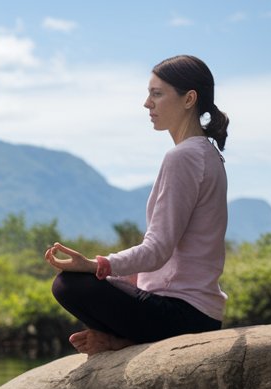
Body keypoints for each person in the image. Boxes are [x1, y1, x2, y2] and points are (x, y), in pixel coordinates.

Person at [44, 54, 230, 355]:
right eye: (148, 93)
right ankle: (122, 340)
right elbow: (169, 258)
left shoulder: (183, 157)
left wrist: (96, 265)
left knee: (69, 285)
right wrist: (113, 276)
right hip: (200, 314)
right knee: (85, 281)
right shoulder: (208, 154)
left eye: (157, 94)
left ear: (189, 99)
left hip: (181, 315)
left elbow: (157, 250)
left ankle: (125, 340)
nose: (147, 103)